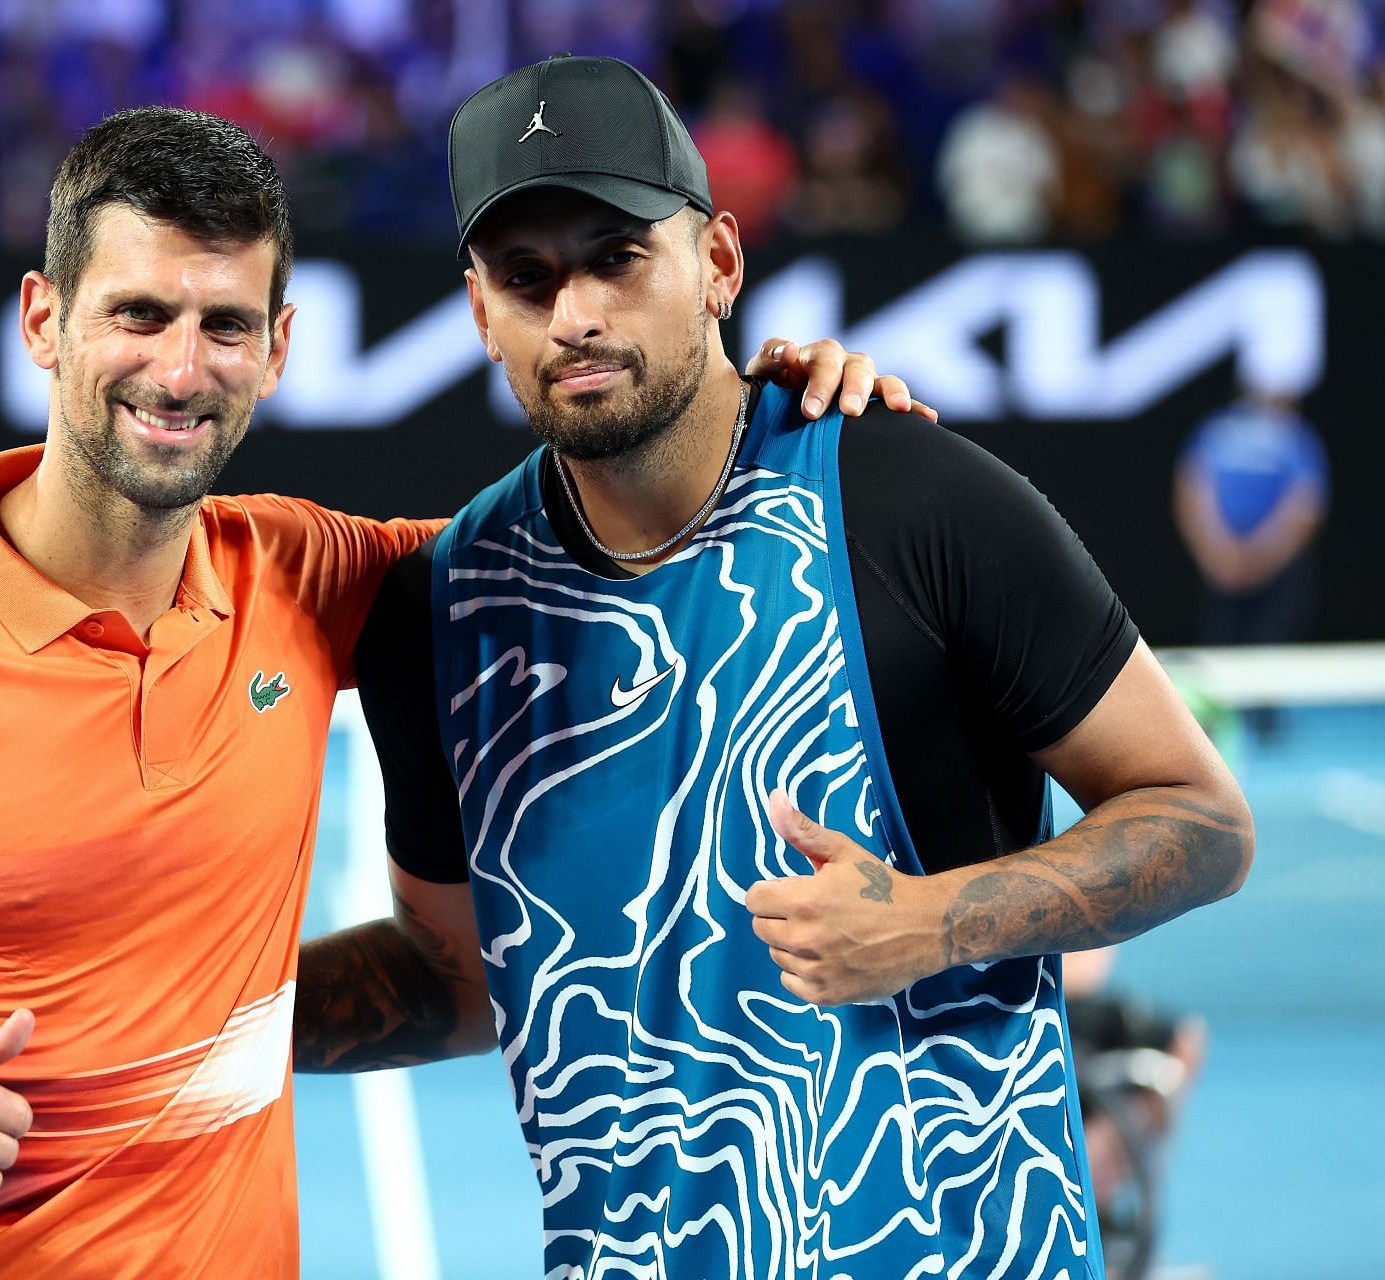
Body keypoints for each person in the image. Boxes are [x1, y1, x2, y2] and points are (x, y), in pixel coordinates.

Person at [0, 104, 917, 1277]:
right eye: (140, 314)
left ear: (279, 349)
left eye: (226, 325)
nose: (182, 368)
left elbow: (603, 533)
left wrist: (763, 418)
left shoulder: (303, 574)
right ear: (46, 321)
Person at [294, 56, 1255, 1279]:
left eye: (615, 256)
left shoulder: (909, 498)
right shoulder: (446, 608)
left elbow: (1204, 819)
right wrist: (164, 998)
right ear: (480, 312)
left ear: (720, 263)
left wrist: (927, 921)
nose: (575, 312)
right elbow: (460, 981)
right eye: (525, 278)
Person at [1173, 388, 1329, 647]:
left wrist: (1257, 558)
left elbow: (1305, 507)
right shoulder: (1217, 431)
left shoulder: (1295, 436)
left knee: (1272, 653)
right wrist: (1220, 558)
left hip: (1273, 575)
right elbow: (1193, 492)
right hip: (1221, 571)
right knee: (1219, 650)